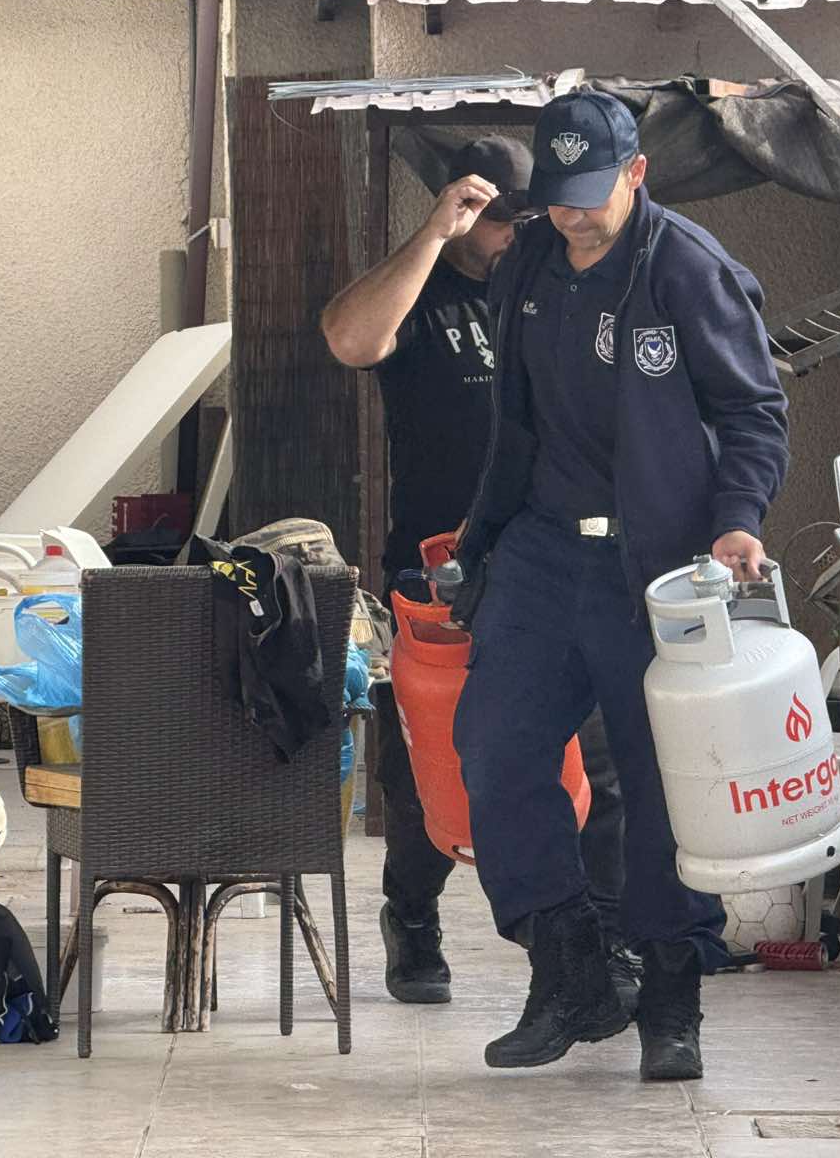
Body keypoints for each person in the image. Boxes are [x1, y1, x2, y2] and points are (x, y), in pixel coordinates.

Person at [449, 91, 790, 1081]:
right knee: (496, 748)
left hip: (660, 570)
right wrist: (483, 540)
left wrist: (737, 518)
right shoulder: (531, 264)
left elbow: (754, 411)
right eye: (557, 197)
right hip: (544, 552)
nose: (574, 214)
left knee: (657, 788)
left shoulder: (687, 269)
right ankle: (571, 970)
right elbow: (513, 418)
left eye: (593, 193)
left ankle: (671, 1001)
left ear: (637, 173)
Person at [320, 137, 634, 1010]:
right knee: (435, 765)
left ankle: (598, 945)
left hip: (559, 568)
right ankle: (413, 916)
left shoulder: (556, 296)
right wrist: (431, 237)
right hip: (439, 575)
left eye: (527, 216)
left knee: (597, 764)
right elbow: (350, 339)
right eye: (497, 217)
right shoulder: (425, 294)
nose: (513, 233)